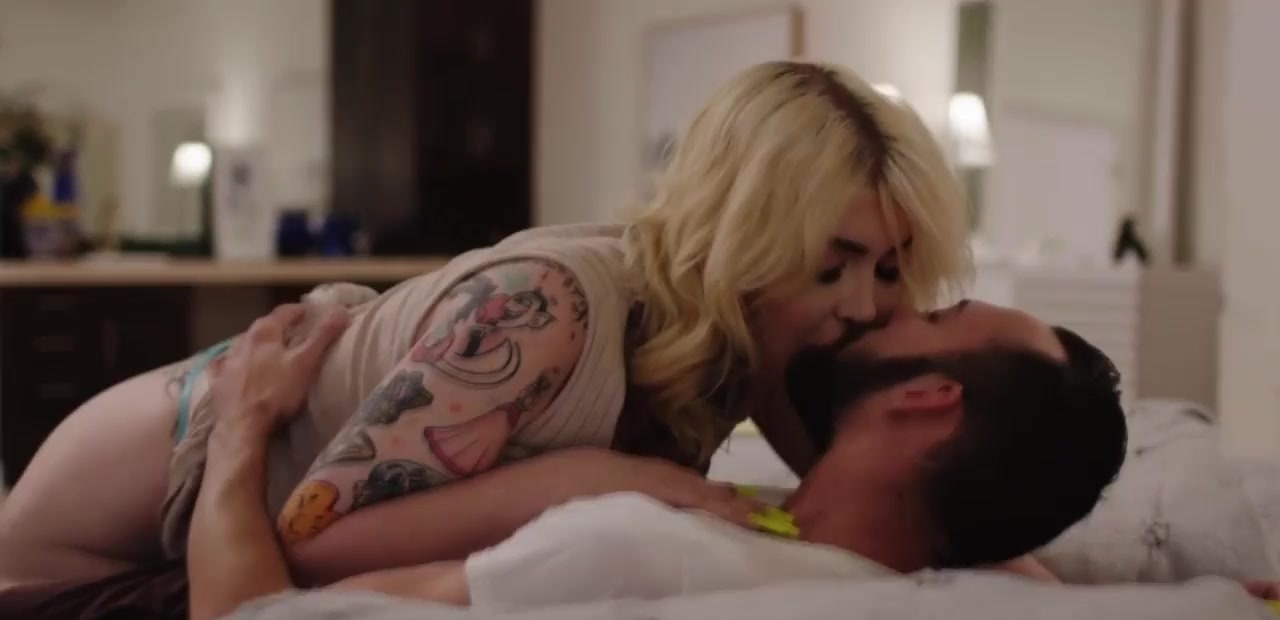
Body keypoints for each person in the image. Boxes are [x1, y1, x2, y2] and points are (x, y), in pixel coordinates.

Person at [0, 60, 971, 589]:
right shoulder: (546, 307)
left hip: (208, 515)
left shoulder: (762, 333)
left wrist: (1010, 549)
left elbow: (854, 503)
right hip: (100, 531)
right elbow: (307, 548)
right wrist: (594, 479)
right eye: (832, 261)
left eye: (889, 267)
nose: (863, 303)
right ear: (746, 235)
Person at [185, 298, 1132, 619]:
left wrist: (241, 426)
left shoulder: (645, 546)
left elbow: (249, 616)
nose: (880, 307)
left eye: (934, 317)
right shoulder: (909, 571)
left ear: (929, 397)